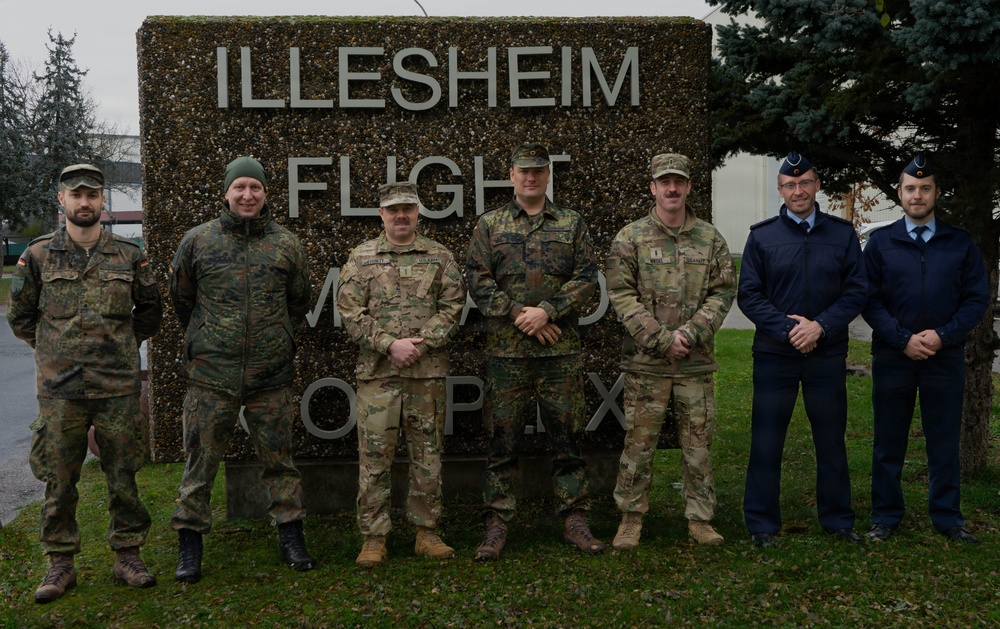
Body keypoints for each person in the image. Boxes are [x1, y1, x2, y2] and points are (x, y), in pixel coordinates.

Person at [7, 164, 163, 603]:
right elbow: (20, 316)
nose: (84, 202)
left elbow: (150, 312)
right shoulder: (37, 257)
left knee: (124, 474)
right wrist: (55, 350)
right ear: (62, 200)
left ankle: (128, 555)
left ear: (102, 200)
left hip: (116, 387)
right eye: (75, 195)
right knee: (59, 477)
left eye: (92, 194)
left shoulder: (130, 256)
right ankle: (60, 563)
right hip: (61, 391)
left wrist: (119, 345)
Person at [169, 156, 315, 583]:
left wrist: (275, 339)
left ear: (266, 193)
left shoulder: (286, 244)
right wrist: (209, 338)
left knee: (280, 461)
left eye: (255, 187)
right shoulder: (198, 241)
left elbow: (298, 300)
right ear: (226, 192)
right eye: (240, 188)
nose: (247, 195)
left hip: (270, 375)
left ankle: (291, 536)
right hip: (211, 374)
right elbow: (183, 300)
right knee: (200, 464)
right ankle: (190, 545)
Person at [466, 142, 605, 561]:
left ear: (548, 176)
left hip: (559, 354)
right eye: (524, 172)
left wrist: (548, 311)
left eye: (539, 171)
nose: (531, 178)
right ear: (511, 176)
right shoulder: (489, 225)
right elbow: (477, 278)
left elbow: (586, 276)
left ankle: (575, 520)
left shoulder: (571, 222)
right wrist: (516, 315)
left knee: (568, 439)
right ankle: (496, 524)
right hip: (506, 356)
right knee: (501, 441)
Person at [606, 153, 736, 550]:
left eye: (679, 181)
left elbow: (723, 291)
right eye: (665, 182)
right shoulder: (630, 238)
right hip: (647, 365)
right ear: (653, 188)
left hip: (695, 365)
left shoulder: (711, 239)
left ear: (689, 187)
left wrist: (692, 334)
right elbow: (621, 294)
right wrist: (663, 339)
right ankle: (630, 518)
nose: (672, 188)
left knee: (698, 446)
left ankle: (700, 519)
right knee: (638, 446)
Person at [738, 151, 867, 548]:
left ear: (817, 185)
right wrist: (789, 330)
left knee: (830, 439)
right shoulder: (761, 237)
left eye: (805, 182)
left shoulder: (842, 235)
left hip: (826, 355)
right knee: (766, 440)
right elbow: (749, 295)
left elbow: (857, 291)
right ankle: (761, 524)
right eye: (790, 184)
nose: (798, 190)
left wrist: (821, 327)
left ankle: (838, 520)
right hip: (776, 355)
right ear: (780, 190)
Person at [336, 182, 466, 568]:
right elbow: (349, 312)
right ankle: (374, 538)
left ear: (418, 212)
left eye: (407, 208)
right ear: (381, 214)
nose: (401, 216)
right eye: (393, 210)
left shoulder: (439, 257)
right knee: (374, 458)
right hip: (379, 376)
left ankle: (427, 532)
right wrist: (389, 344)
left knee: (427, 457)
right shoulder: (361, 258)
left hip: (426, 375)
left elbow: (453, 306)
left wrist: (421, 344)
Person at [862, 155, 989, 544]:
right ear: (899, 194)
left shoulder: (960, 242)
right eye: (910, 189)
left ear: (937, 193)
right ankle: (885, 516)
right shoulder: (881, 243)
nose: (918, 195)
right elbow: (867, 299)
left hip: (944, 357)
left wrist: (943, 335)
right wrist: (903, 339)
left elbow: (976, 299)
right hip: (892, 356)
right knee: (888, 440)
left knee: (943, 440)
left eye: (925, 188)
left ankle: (948, 518)